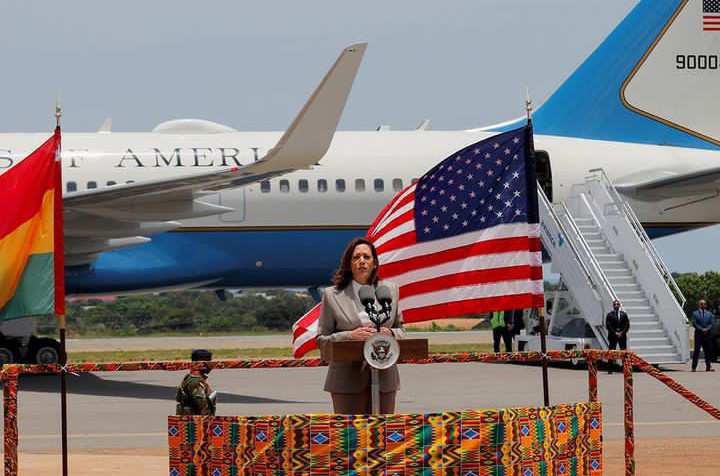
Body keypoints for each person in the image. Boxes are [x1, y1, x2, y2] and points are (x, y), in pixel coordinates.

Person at [316, 237, 406, 414]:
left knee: (382, 435)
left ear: (374, 263)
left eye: (366, 257)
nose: (361, 261)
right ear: (349, 264)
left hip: (385, 378)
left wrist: (391, 333)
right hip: (346, 380)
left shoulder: (389, 290)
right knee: (350, 438)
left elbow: (402, 331)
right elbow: (321, 339)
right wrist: (349, 336)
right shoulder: (332, 295)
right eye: (356, 257)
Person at [176, 349, 216, 415]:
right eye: (209, 362)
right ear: (202, 364)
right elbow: (202, 405)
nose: (211, 365)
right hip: (195, 421)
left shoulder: (191, 377)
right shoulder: (196, 381)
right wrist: (208, 420)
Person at [605, 300, 630, 374]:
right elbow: (608, 325)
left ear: (619, 305)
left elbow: (627, 325)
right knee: (611, 352)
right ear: (613, 306)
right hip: (613, 336)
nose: (616, 305)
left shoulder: (624, 314)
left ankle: (625, 368)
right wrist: (615, 332)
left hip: (622, 336)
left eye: (617, 304)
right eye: (615, 304)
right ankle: (610, 369)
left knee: (623, 352)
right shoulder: (610, 315)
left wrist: (622, 332)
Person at [691, 299, 715, 372]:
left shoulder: (710, 314)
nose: (702, 305)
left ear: (706, 305)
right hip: (698, 334)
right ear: (698, 305)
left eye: (704, 304)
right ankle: (694, 367)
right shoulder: (695, 313)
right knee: (696, 351)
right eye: (701, 304)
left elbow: (711, 323)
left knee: (707, 351)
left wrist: (707, 329)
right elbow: (694, 323)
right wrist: (702, 329)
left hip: (707, 335)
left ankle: (708, 366)